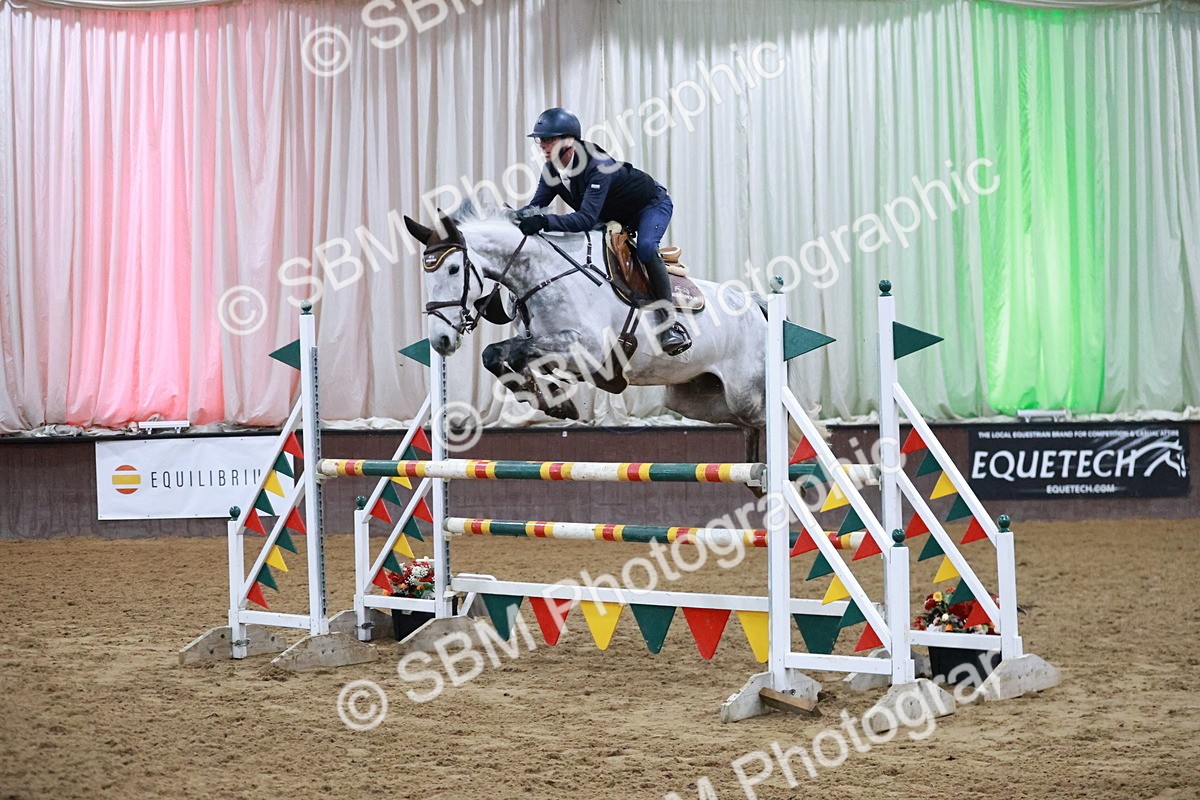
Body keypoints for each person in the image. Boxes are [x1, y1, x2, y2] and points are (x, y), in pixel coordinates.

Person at [516, 107, 691, 356]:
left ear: (569, 140)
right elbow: (535, 207)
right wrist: (512, 218)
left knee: (646, 248)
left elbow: (586, 219)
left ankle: (669, 324)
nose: (542, 145)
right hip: (612, 215)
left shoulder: (597, 165)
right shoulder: (552, 170)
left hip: (650, 206)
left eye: (549, 139)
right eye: (540, 140)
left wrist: (544, 221)